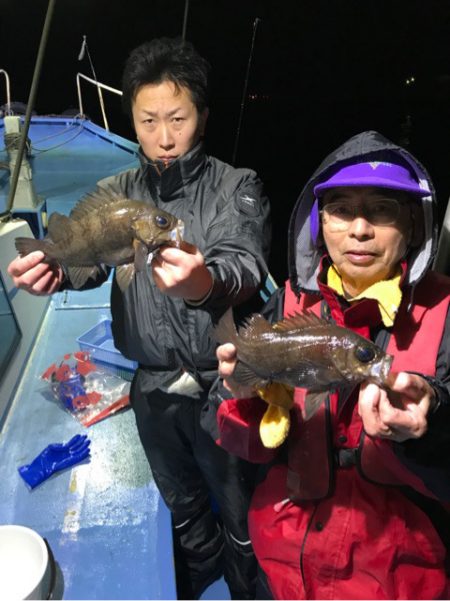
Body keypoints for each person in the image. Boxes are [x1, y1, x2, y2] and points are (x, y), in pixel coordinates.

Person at [8, 37, 271, 599]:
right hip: (151, 385)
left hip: (221, 386)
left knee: (240, 506)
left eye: (178, 118)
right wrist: (54, 271)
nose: (165, 136)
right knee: (182, 502)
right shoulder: (113, 191)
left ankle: (248, 587)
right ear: (131, 118)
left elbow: (243, 262)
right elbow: (89, 263)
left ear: (201, 114)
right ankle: (199, 577)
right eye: (148, 120)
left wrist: (205, 282)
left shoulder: (237, 186)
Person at [211, 130, 450, 599]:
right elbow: (228, 436)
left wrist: (434, 424)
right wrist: (239, 395)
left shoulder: (445, 316)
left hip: (398, 579)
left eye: (382, 209)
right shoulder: (289, 303)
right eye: (341, 210)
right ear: (320, 224)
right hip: (282, 566)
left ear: (414, 226)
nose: (360, 229)